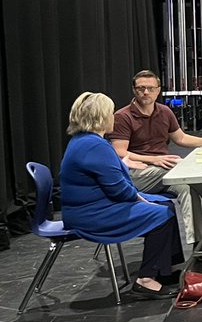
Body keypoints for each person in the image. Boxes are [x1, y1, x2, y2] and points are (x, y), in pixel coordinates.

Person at [60, 92, 184, 300]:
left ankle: (164, 270)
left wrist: (123, 164)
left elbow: (109, 175)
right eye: (110, 113)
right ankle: (146, 280)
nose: (113, 118)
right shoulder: (94, 145)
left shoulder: (85, 140)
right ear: (100, 117)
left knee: (167, 205)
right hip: (93, 214)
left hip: (95, 205)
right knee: (161, 214)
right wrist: (140, 198)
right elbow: (119, 190)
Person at [109, 70, 202, 248]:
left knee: (187, 187)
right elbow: (120, 152)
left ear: (158, 90)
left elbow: (181, 138)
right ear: (134, 90)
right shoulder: (123, 117)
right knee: (180, 167)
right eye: (141, 88)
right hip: (136, 173)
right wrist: (152, 160)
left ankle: (198, 244)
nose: (146, 92)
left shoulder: (164, 112)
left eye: (150, 88)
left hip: (164, 171)